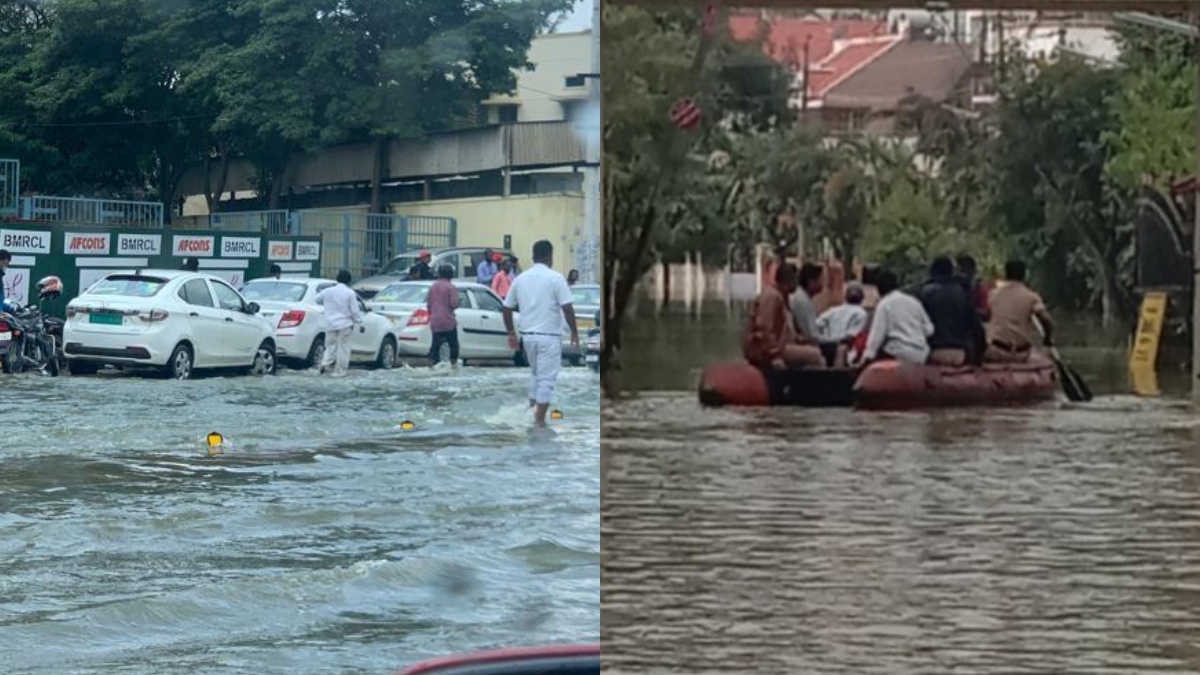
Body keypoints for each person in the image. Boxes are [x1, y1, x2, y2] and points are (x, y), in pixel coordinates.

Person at [502, 240, 579, 428]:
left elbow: (506, 308)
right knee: (547, 379)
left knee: (536, 375)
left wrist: (511, 333)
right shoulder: (555, 278)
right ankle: (539, 422)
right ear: (549, 256)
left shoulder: (521, 278)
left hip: (527, 336)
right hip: (549, 337)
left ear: (533, 255)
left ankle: (531, 411)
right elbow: (567, 308)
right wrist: (574, 332)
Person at [743, 263, 824, 370]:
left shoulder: (783, 297)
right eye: (796, 279)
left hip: (780, 346)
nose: (798, 283)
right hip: (767, 351)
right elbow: (764, 328)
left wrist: (800, 339)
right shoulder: (772, 296)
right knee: (815, 355)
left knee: (813, 349)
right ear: (788, 280)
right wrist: (774, 356)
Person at [857, 269, 934, 366]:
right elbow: (929, 329)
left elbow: (876, 338)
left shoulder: (884, 304)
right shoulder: (914, 302)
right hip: (921, 354)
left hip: (897, 353)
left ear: (879, 289)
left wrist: (866, 358)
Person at [984, 259, 1054, 363]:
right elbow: (1047, 320)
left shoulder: (993, 295)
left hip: (997, 351)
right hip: (1021, 354)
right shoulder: (1031, 297)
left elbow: (987, 316)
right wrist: (1047, 339)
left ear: (1006, 274)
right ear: (1024, 275)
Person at [917, 256, 981, 367]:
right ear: (952, 272)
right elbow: (976, 327)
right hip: (960, 353)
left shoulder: (925, 294)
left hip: (933, 352)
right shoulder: (963, 293)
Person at [313, 269, 362, 377]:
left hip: (330, 323)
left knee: (330, 347)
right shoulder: (350, 293)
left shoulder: (328, 291)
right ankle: (340, 371)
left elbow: (317, 299)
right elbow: (355, 310)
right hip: (345, 324)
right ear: (349, 281)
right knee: (343, 348)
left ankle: (324, 364)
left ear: (337, 279)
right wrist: (358, 321)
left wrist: (327, 303)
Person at [815, 283, 869, 367]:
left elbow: (817, 324)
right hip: (844, 352)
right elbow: (851, 337)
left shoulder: (833, 310)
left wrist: (825, 338)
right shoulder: (861, 313)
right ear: (862, 298)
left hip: (826, 347)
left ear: (845, 297)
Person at [955, 254, 990, 364]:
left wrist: (970, 310)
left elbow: (986, 314)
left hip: (971, 330)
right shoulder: (952, 288)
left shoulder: (978, 288)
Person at [427, 263, 460, 366]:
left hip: (435, 322)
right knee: (453, 344)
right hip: (448, 321)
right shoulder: (451, 287)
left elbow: (429, 304)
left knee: (435, 345)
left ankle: (433, 363)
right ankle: (453, 363)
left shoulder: (432, 287)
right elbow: (454, 304)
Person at [789, 263, 823, 344]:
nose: (822, 284)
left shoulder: (804, 297)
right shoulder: (803, 301)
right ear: (811, 282)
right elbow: (812, 335)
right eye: (820, 280)